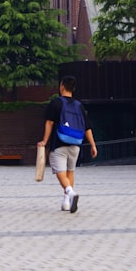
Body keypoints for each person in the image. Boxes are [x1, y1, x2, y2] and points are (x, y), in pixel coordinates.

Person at [38, 75, 97, 213]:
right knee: (70, 171)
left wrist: (44, 141)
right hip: (76, 144)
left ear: (62, 86)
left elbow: (49, 122)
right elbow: (87, 127)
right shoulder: (79, 106)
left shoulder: (56, 103)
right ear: (73, 88)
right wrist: (93, 145)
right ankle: (66, 202)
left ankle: (70, 192)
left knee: (60, 172)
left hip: (59, 143)